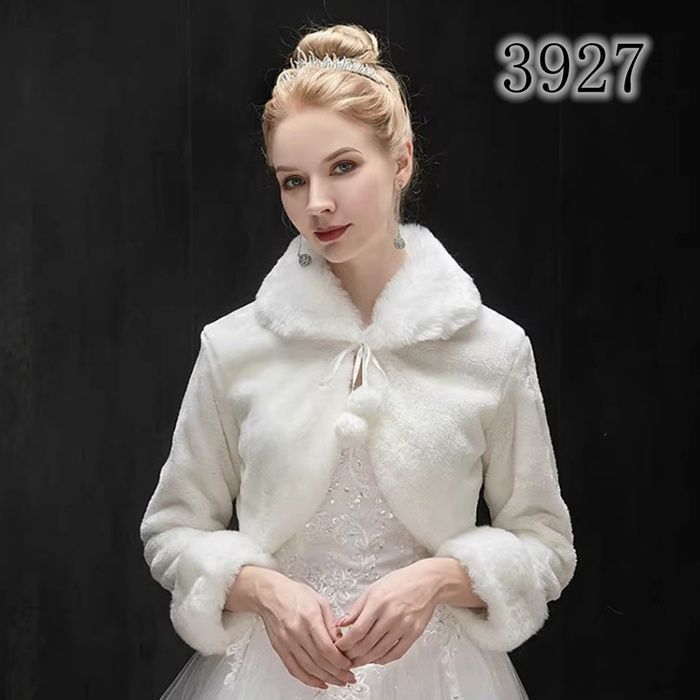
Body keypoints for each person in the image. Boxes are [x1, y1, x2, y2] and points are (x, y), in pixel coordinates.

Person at [139, 22, 576, 699]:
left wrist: (438, 579)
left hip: (444, 679)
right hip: (270, 677)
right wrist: (264, 590)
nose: (317, 203)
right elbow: (172, 530)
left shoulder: (493, 348)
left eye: (343, 167)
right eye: (293, 180)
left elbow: (545, 543)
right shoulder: (234, 346)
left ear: (401, 161)